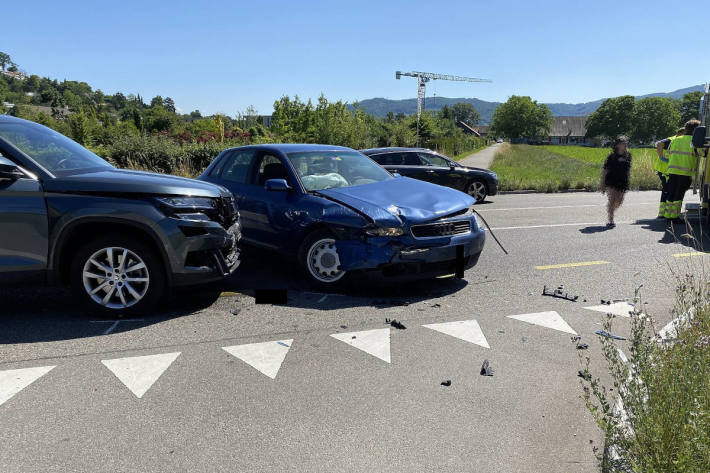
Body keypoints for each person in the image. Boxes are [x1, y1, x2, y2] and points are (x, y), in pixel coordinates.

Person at [664, 119, 701, 224]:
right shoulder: (695, 141)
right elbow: (702, 153)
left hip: (672, 170)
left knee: (671, 192)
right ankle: (675, 216)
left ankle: (668, 216)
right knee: (679, 194)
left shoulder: (675, 139)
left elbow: (669, 153)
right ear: (696, 130)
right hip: (685, 172)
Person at [601, 136, 632, 227]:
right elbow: (605, 170)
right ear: (618, 145)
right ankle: (611, 219)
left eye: (626, 143)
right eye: (623, 143)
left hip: (623, 181)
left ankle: (610, 210)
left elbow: (628, 170)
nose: (625, 144)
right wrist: (602, 183)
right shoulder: (612, 156)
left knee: (619, 201)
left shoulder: (628, 155)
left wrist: (628, 179)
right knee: (612, 199)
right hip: (611, 180)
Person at [654, 128, 684, 218]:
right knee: (667, 190)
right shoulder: (672, 139)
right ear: (681, 134)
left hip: (667, 170)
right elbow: (659, 144)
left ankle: (663, 212)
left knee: (667, 190)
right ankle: (663, 213)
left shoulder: (677, 141)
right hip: (664, 170)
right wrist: (661, 157)